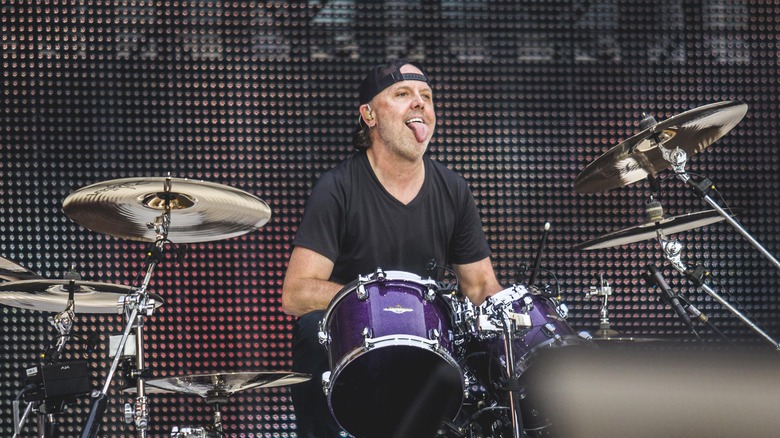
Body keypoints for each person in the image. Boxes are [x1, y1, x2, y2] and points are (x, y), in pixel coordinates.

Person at [281, 58, 504, 438]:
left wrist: (516, 320)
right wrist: (382, 306)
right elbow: (296, 293)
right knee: (311, 327)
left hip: (432, 353)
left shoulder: (453, 189)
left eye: (426, 96)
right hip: (355, 360)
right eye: (402, 94)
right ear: (368, 114)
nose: (419, 103)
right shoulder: (337, 188)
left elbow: (482, 288)